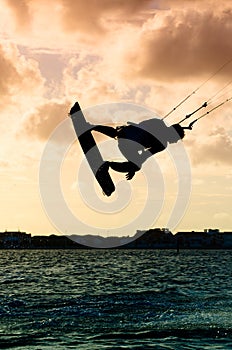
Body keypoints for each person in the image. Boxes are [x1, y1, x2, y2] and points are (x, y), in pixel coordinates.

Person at [69, 102, 185, 180]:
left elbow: (142, 125)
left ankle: (91, 126)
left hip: (124, 134)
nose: (175, 142)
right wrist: (133, 167)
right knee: (137, 164)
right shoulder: (162, 144)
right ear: (172, 134)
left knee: (117, 133)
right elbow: (144, 156)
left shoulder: (158, 122)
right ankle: (107, 165)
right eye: (176, 139)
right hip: (128, 144)